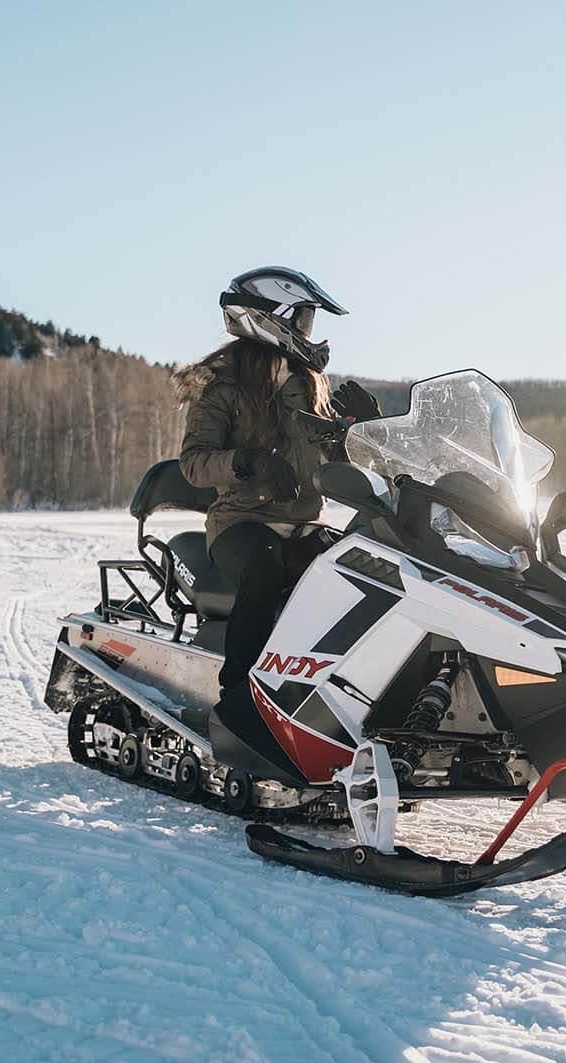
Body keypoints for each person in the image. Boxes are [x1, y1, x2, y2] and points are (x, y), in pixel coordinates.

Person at [176, 267, 380, 734]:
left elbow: (334, 456)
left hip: (303, 522)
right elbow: (193, 462)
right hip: (240, 524)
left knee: (359, 574)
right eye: (303, 320)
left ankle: (344, 697)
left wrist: (359, 429)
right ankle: (238, 704)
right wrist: (246, 462)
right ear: (271, 318)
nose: (309, 332)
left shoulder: (307, 382)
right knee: (264, 568)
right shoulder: (222, 384)